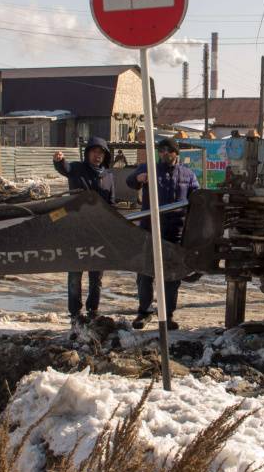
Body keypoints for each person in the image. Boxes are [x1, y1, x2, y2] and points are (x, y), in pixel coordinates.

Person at [126, 137, 198, 331]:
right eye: (161, 150)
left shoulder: (188, 174)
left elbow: (197, 197)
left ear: (176, 153)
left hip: (175, 232)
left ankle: (167, 314)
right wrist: (138, 179)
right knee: (145, 273)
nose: (164, 154)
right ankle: (144, 312)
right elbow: (130, 181)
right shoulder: (148, 168)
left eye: (168, 151)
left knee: (172, 276)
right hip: (149, 230)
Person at [53, 137, 114, 326]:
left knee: (96, 276)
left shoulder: (109, 176)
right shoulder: (78, 169)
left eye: (101, 152)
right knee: (75, 274)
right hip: (76, 230)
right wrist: (59, 160)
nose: (98, 155)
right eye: (94, 152)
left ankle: (93, 310)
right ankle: (75, 313)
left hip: (98, 233)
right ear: (88, 153)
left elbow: (111, 203)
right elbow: (65, 168)